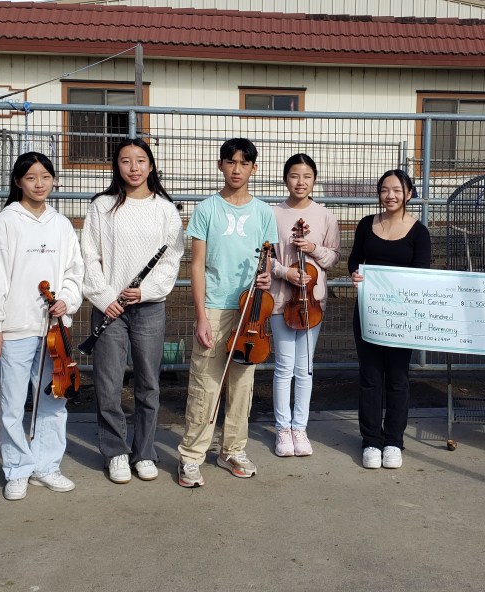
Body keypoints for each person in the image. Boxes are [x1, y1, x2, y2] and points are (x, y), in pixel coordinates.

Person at [0, 152, 85, 500]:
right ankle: (17, 469)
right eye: (31, 177)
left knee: (53, 398)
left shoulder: (61, 224)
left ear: (54, 180)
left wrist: (68, 299)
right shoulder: (8, 221)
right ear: (18, 181)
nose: (39, 184)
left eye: (45, 177)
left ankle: (47, 466)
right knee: (12, 402)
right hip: (15, 328)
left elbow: (74, 271)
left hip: (53, 330)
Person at [82, 138, 184, 484]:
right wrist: (104, 297)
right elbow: (90, 256)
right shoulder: (102, 206)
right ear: (117, 166)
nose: (134, 167)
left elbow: (171, 260)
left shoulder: (165, 209)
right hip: (110, 308)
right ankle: (115, 452)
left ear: (151, 166)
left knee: (148, 384)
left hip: (149, 307)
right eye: (126, 161)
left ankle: (144, 452)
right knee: (108, 384)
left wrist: (146, 291)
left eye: (141, 160)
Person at [177, 138, 277, 487]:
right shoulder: (207, 209)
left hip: (250, 311)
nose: (237, 169)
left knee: (242, 384)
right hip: (215, 307)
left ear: (254, 168)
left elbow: (268, 259)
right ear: (220, 165)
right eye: (231, 162)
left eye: (244, 163)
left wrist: (266, 276)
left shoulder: (264, 212)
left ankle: (232, 449)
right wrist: (201, 315)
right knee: (205, 383)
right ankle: (192, 455)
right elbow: (197, 265)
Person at [348, 169, 430, 470]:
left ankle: (394, 441)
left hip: (402, 316)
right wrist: (355, 274)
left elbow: (421, 273)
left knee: (397, 378)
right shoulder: (366, 224)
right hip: (369, 312)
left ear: (409, 193)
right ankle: (370, 441)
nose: (390, 195)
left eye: (397, 190)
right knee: (370, 377)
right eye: (384, 189)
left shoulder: (419, 232)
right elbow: (354, 260)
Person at [269, 154, 341, 457]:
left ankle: (300, 427)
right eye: (295, 175)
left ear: (314, 180)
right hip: (281, 299)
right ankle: (282, 429)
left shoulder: (325, 216)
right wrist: (284, 272)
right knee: (284, 367)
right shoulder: (272, 214)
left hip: (312, 300)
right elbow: (265, 257)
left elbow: (334, 257)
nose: (301, 182)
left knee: (305, 368)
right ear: (285, 178)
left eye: (307, 176)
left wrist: (313, 248)